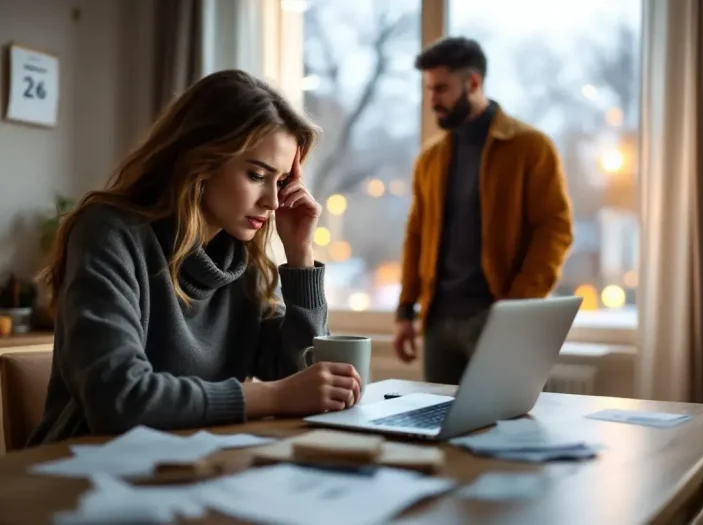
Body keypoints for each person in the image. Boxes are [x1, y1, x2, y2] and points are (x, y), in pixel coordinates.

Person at [27, 70, 362, 446]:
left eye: (282, 182)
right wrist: (273, 396)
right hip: (79, 471)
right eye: (256, 175)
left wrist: (300, 255)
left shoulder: (239, 262)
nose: (272, 201)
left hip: (190, 466)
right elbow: (118, 398)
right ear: (200, 160)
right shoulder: (109, 233)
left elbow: (307, 374)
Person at [393, 37, 574, 384]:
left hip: (497, 320)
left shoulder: (530, 147)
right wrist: (405, 310)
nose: (433, 101)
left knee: (508, 429)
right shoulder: (430, 159)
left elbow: (555, 229)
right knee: (437, 431)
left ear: (473, 83)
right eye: (429, 89)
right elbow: (416, 236)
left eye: (442, 89)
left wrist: (516, 309)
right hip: (438, 323)